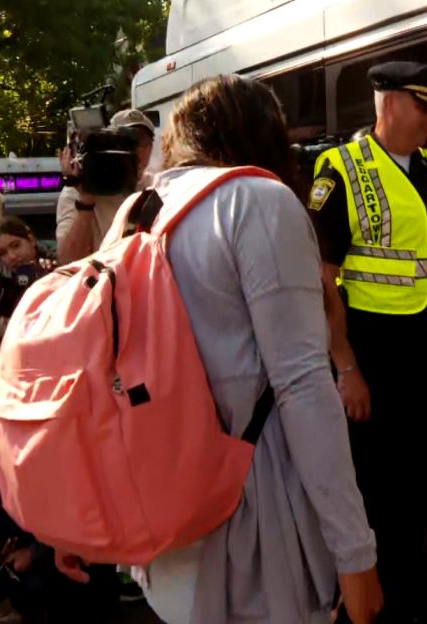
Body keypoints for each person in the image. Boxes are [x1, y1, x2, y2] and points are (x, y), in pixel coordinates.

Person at [53, 74, 383, 624]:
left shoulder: (140, 212)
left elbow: (97, 368)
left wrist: (78, 505)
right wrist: (356, 554)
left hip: (163, 514)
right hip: (250, 525)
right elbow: (302, 387)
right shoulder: (258, 200)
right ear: (265, 135)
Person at [308, 60, 427, 622]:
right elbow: (323, 275)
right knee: (390, 504)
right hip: (378, 358)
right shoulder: (341, 171)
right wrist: (345, 366)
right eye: (425, 108)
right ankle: (395, 608)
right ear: (388, 102)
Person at [0, 440, 120, 622]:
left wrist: (34, 552)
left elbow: (84, 508)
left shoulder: (57, 440)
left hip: (69, 546)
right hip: (16, 554)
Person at [55, 109, 155, 263]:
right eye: (126, 141)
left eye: (142, 141)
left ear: (151, 147)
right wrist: (87, 199)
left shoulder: (157, 186)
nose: (136, 150)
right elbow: (68, 261)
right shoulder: (76, 193)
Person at [0, 216, 56, 323]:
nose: (12, 256)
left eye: (16, 245)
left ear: (31, 240)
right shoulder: (6, 287)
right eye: (2, 253)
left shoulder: (56, 269)